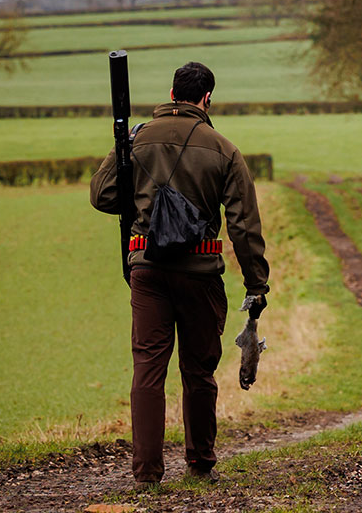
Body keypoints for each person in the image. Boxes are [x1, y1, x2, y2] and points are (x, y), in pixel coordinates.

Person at [89, 61, 271, 489]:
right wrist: (256, 283)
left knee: (148, 369)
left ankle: (147, 473)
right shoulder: (224, 149)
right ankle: (201, 461)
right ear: (207, 98)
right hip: (200, 272)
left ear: (171, 93)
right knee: (198, 369)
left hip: (146, 270)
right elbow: (244, 225)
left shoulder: (136, 140)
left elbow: (102, 195)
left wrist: (139, 192)